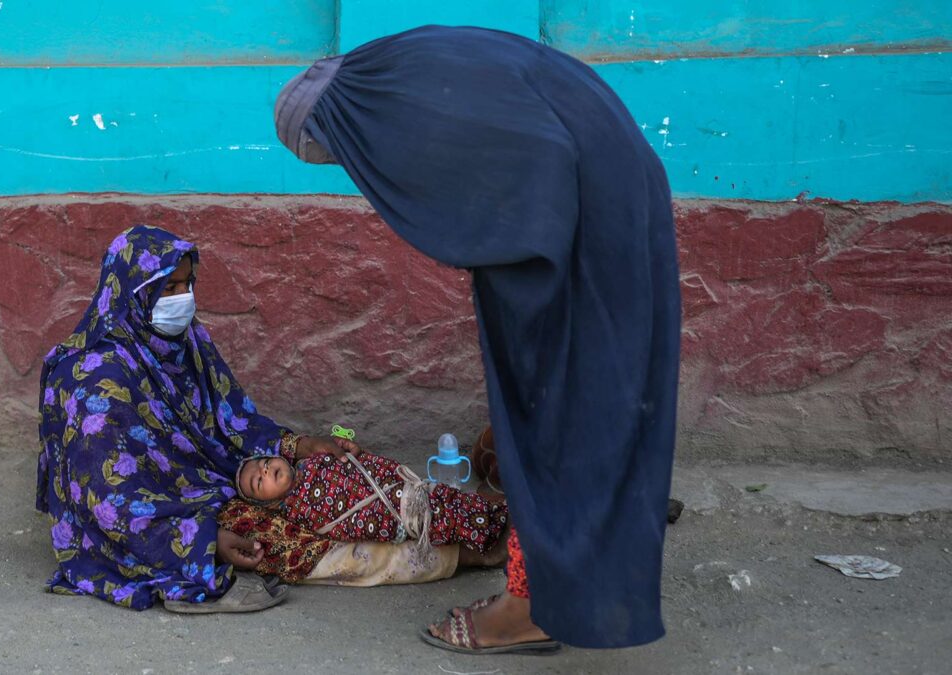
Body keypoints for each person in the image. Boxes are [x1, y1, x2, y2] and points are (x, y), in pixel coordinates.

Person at [275, 26, 681, 652]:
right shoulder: (404, 71)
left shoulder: (409, 101)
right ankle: (585, 551)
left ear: (347, 125)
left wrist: (519, 256)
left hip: (576, 224)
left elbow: (536, 152)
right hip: (603, 190)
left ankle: (530, 609)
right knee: (575, 403)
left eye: (340, 156)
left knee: (554, 412)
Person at [35, 225, 463, 612]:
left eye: (186, 284)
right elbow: (109, 504)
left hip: (221, 481)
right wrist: (203, 545)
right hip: (165, 513)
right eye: (168, 288)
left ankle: (464, 519)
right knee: (278, 541)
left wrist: (296, 446)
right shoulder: (92, 381)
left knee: (334, 476)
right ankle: (449, 556)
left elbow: (232, 419)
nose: (182, 299)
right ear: (133, 292)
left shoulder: (184, 341)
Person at [236, 451, 509, 566]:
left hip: (393, 485)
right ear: (269, 503)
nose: (265, 469)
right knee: (438, 519)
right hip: (387, 513)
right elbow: (341, 525)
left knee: (446, 498)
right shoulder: (296, 511)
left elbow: (356, 463)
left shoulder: (312, 461)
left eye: (264, 463)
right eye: (259, 481)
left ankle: (498, 517)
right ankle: (492, 540)